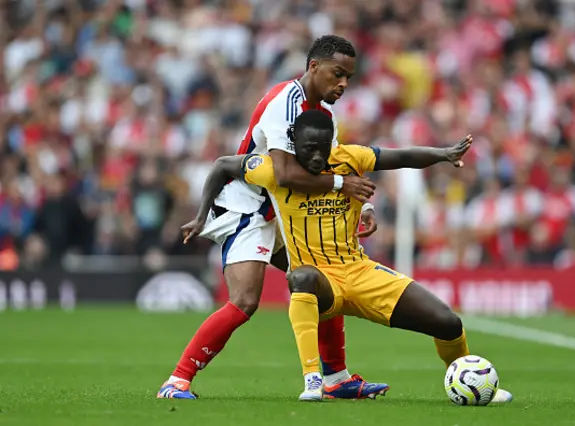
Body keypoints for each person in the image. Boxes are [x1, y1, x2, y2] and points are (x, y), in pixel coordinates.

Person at [201, 109, 513, 402]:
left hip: (360, 272)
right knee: (301, 276)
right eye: (308, 147)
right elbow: (223, 166)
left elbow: (400, 156)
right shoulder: (274, 170)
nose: (315, 155)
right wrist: (202, 216)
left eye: (322, 148)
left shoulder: (350, 159)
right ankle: (314, 379)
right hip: (323, 282)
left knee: (447, 322)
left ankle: (468, 379)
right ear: (293, 143)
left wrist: (442, 154)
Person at [158, 35, 389, 400]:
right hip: (249, 207)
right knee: (246, 300)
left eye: (348, 77)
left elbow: (335, 165)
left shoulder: (323, 115)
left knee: (323, 278)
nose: (343, 83)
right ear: (314, 67)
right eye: (337, 74)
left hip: (284, 211)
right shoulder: (285, 103)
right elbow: (283, 174)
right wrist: (202, 215)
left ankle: (336, 379)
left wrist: (366, 205)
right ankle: (176, 382)